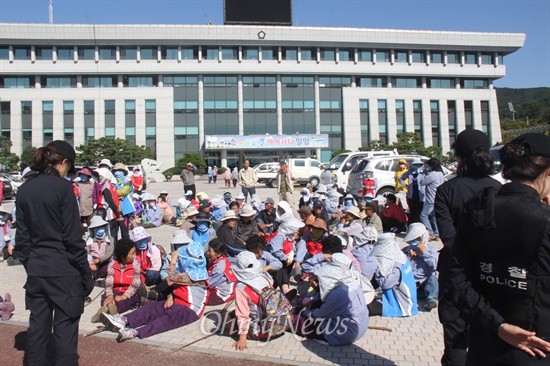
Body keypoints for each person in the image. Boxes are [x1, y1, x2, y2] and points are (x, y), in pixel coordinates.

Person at [446, 133, 550, 365]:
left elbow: (457, 279)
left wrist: (498, 325)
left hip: (485, 342)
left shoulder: (477, 211)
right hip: (538, 346)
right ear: (548, 172)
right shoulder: (544, 219)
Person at [13, 140, 94, 365]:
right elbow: (72, 238)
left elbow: (22, 240)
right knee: (65, 336)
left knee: (37, 333)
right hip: (64, 271)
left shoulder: (25, 189)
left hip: (37, 271)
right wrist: (85, 274)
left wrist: (33, 267)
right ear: (64, 163)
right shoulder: (63, 188)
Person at [434, 128, 502, 366]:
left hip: (456, 273)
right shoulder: (500, 190)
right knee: (490, 335)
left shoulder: (446, 190)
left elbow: (448, 237)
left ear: (459, 158)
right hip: (493, 274)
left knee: (455, 338)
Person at [101, 239, 209, 342]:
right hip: (178, 302)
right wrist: (171, 296)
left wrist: (173, 260)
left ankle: (135, 332)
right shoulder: (192, 274)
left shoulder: (198, 277)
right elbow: (180, 285)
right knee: (151, 308)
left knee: (164, 322)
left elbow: (172, 276)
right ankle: (124, 320)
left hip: (190, 310)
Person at [293, 252, 369, 346]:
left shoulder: (339, 293)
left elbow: (319, 315)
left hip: (344, 333)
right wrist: (314, 300)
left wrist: (306, 313)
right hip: (360, 327)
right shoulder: (353, 283)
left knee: (299, 321)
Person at [226, 251, 275, 351]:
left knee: (225, 319)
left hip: (262, 332)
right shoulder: (266, 278)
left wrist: (242, 339)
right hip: (276, 326)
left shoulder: (241, 288)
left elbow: (243, 314)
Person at [91, 238, 141, 323]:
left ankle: (106, 312)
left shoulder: (135, 265)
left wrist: (124, 296)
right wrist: (110, 295)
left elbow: (136, 283)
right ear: (123, 255)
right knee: (106, 298)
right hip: (115, 291)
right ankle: (107, 310)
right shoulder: (112, 265)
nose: (134, 256)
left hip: (128, 293)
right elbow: (109, 282)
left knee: (125, 303)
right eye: (131, 254)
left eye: (134, 253)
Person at [370, 233, 418, 317]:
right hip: (399, 298)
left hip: (401, 304)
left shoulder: (397, 267)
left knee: (364, 309)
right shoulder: (401, 258)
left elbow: (385, 284)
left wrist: (378, 271)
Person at [245, 236, 296, 300]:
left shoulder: (266, 255)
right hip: (254, 284)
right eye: (253, 253)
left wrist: (267, 267)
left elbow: (278, 264)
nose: (256, 255)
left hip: (268, 281)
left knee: (280, 270)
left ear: (261, 249)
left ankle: (285, 291)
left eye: (258, 252)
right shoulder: (245, 258)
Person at [402, 223, 439, 310]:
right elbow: (400, 268)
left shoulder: (431, 251)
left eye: (417, 239)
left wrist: (424, 253)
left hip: (425, 284)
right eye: (413, 239)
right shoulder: (405, 251)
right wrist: (408, 258)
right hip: (411, 284)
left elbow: (434, 267)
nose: (414, 241)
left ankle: (431, 300)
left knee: (433, 277)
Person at [418, 158, 445, 240]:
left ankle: (430, 232)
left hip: (431, 199)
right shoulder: (440, 173)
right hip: (438, 198)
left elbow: (422, 182)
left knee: (423, 215)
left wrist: (424, 174)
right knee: (434, 216)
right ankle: (437, 233)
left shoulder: (432, 174)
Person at [206, 238, 237, 305]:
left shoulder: (219, 269)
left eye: (210, 251)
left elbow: (207, 284)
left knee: (196, 293)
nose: (208, 253)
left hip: (221, 296)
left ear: (219, 254)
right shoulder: (222, 260)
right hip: (224, 292)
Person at [112, 163, 134, 241]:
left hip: (125, 210)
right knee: (113, 233)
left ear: (124, 171)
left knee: (125, 232)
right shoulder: (111, 181)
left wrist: (113, 193)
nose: (117, 172)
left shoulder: (128, 181)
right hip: (113, 210)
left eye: (119, 170)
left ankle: (126, 251)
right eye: (116, 170)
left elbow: (123, 192)